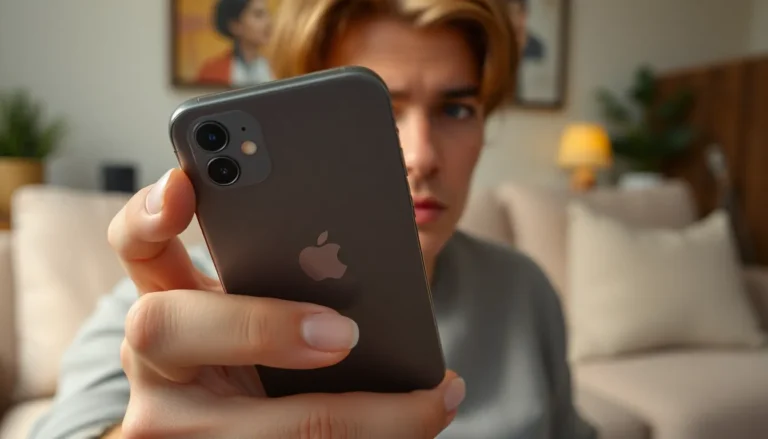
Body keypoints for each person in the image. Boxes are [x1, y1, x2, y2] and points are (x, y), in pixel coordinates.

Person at [29, 0, 598, 437]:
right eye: (378, 109)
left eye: (456, 108)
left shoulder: (524, 290)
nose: (422, 156)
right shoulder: (170, 299)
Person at [197, 0, 273, 86]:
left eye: (268, 14)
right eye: (258, 15)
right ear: (235, 25)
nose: (269, 22)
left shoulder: (278, 67)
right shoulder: (212, 72)